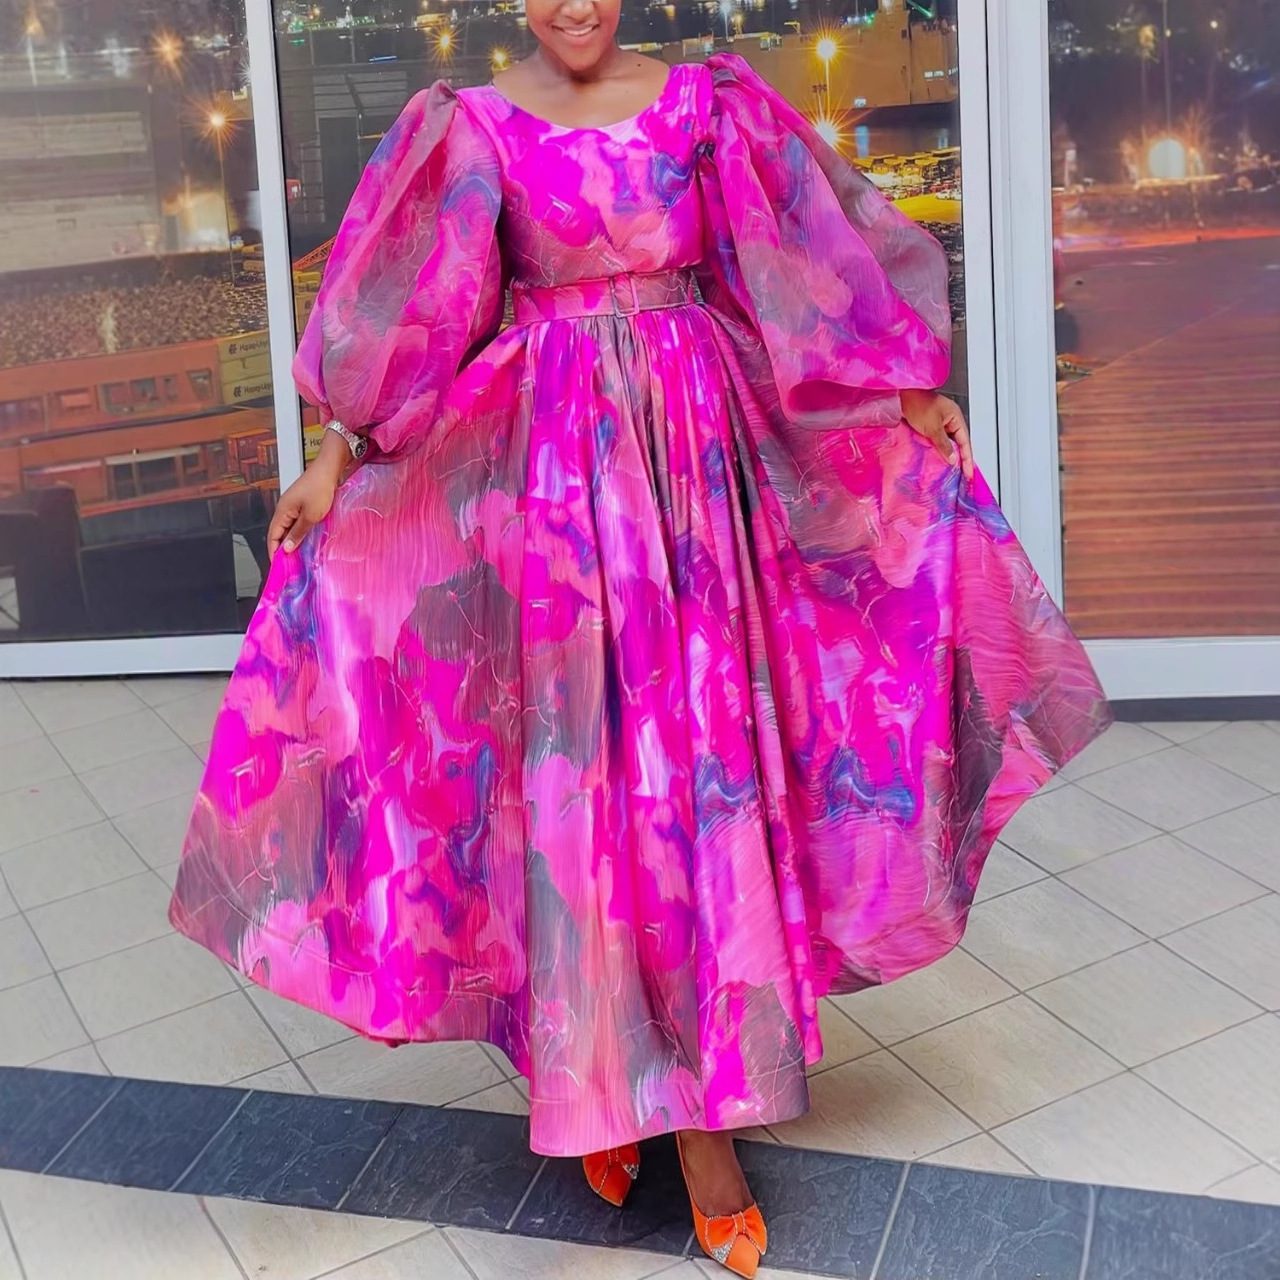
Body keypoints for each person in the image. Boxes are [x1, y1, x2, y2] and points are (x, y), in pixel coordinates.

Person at [168, 4, 1111, 1276]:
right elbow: (421, 306)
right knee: (590, 789)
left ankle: (688, 1111)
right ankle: (606, 1071)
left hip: (696, 473)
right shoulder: (472, 125)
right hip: (553, 496)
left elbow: (795, 253)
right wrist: (339, 453)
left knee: (690, 781)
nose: (575, 7)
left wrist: (898, 384)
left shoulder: (703, 105)